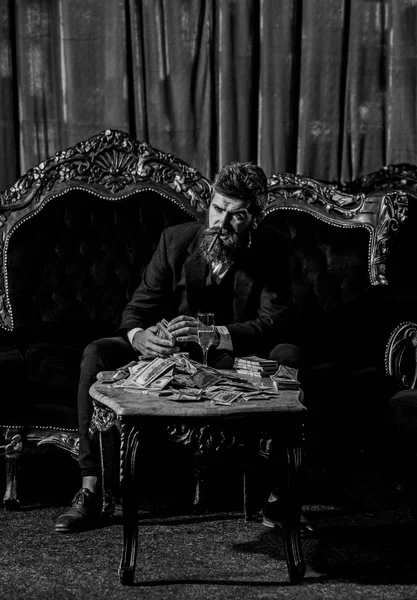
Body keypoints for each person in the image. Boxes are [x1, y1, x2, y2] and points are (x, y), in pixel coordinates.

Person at [54, 161, 295, 533]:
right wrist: (140, 336)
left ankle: (279, 496)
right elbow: (137, 309)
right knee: (96, 352)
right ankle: (92, 490)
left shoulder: (272, 248)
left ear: (254, 218)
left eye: (236, 216)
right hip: (174, 356)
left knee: (288, 356)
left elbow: (274, 320)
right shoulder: (177, 240)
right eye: (217, 209)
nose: (221, 223)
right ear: (209, 204)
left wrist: (217, 334)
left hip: (239, 354)